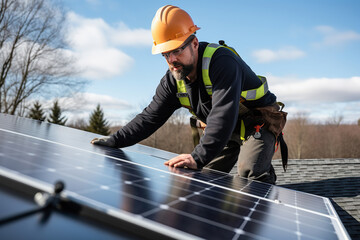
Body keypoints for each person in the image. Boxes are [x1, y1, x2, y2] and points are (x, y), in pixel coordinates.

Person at [91, 5, 287, 184]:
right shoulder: (172, 81)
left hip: (257, 122)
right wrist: (116, 140)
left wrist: (198, 157)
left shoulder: (221, 62)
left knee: (249, 174)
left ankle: (263, 191)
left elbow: (223, 115)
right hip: (222, 129)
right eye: (165, 54)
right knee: (203, 176)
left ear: (194, 42)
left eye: (176, 50)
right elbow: (150, 117)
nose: (171, 59)